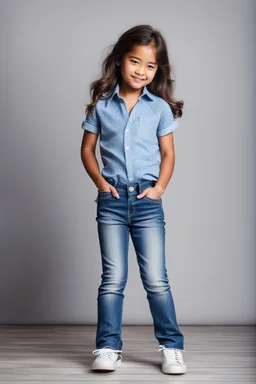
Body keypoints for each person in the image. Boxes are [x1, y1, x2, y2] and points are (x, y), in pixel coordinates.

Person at [80, 24, 187, 375]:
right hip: (111, 200)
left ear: (158, 70)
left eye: (150, 66)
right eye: (134, 61)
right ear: (119, 60)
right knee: (113, 278)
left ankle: (172, 347)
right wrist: (99, 182)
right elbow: (87, 150)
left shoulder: (158, 108)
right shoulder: (101, 106)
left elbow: (168, 155)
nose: (141, 71)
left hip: (146, 201)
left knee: (156, 278)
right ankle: (108, 347)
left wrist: (158, 189)